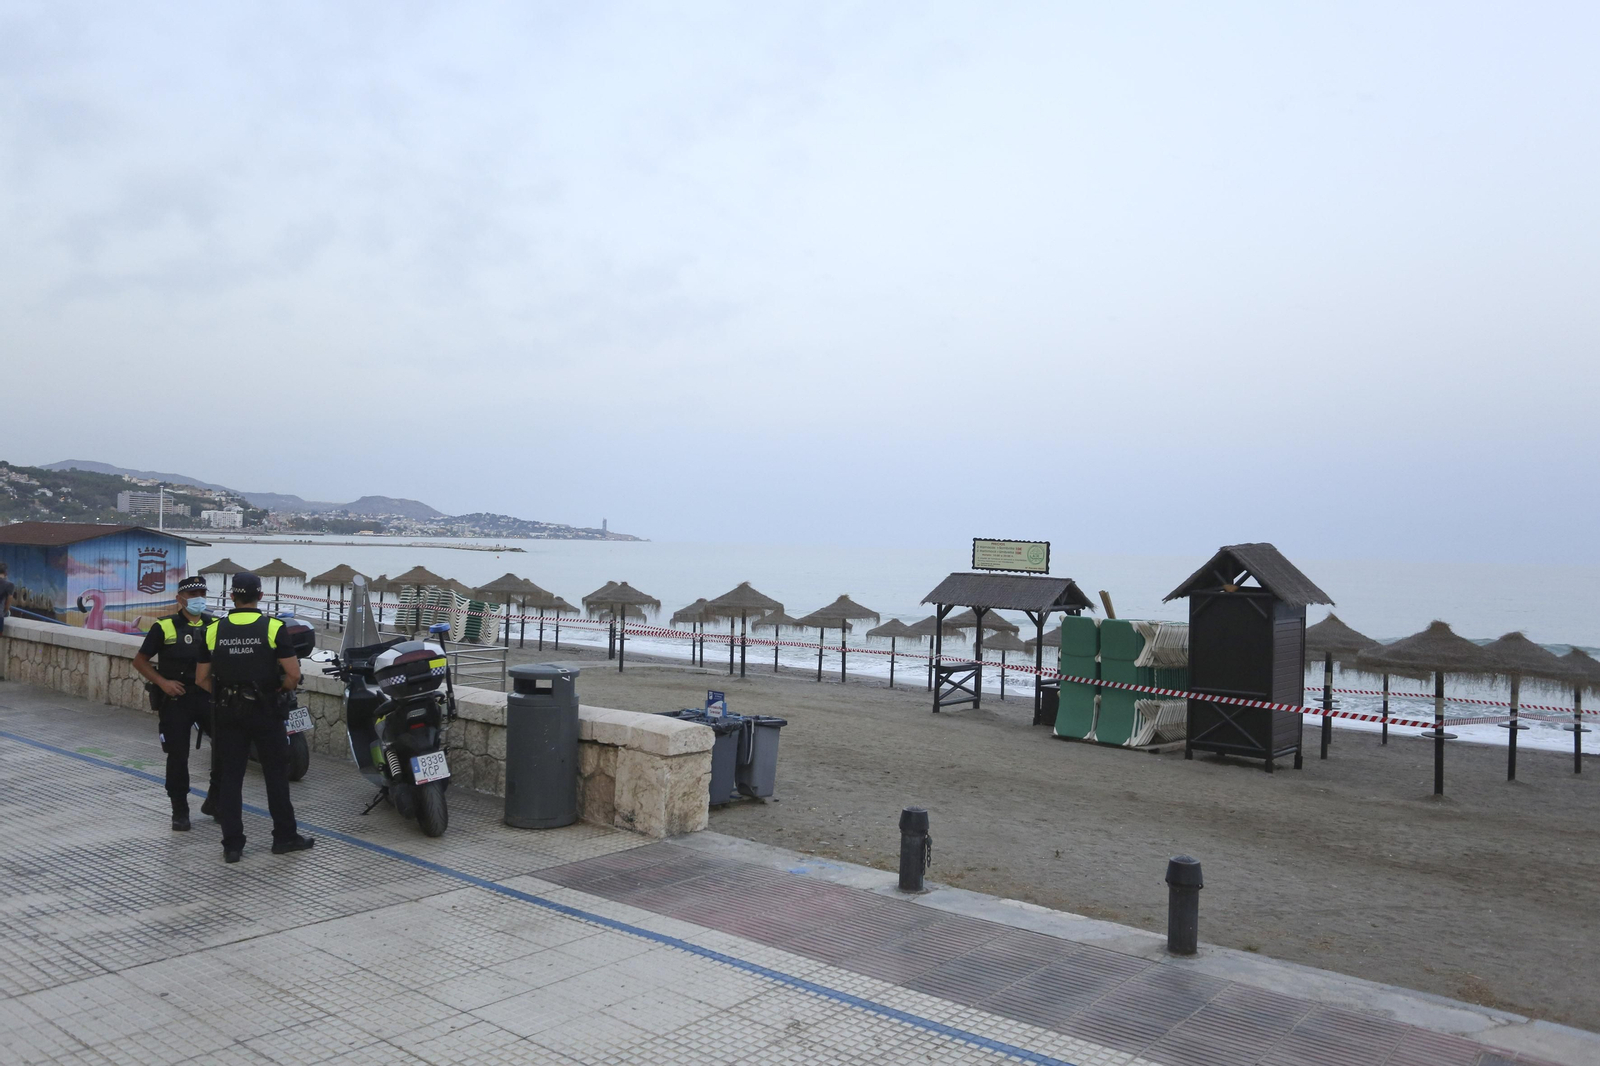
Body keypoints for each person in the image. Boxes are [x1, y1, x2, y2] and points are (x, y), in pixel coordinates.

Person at [194, 571, 313, 864]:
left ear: (232, 596)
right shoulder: (273, 627)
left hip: (227, 713)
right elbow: (294, 675)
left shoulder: (213, 629)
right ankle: (284, 837)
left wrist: (226, 694)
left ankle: (232, 845)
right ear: (260, 596)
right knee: (275, 776)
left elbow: (200, 679)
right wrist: (274, 691)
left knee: (231, 778)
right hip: (266, 712)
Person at [132, 575, 220, 831]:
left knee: (226, 748)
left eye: (201, 593)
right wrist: (163, 683)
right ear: (180, 599)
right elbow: (140, 661)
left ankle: (215, 801)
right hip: (176, 698)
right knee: (177, 755)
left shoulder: (215, 624)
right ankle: (179, 810)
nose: (198, 599)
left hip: (207, 696)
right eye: (193, 595)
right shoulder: (165, 626)